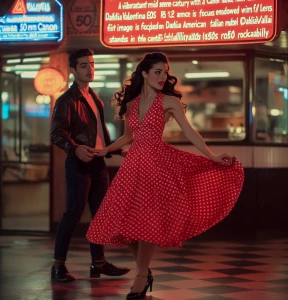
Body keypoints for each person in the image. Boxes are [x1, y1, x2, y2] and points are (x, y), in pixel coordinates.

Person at [86, 52, 244, 299]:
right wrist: (106, 149)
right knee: (121, 223)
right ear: (145, 73)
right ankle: (144, 271)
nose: (163, 76)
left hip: (157, 166)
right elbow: (128, 137)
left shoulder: (169, 101)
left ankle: (140, 278)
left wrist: (212, 156)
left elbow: (190, 132)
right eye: (158, 72)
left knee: (147, 222)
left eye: (165, 72)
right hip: (133, 167)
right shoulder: (131, 103)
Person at [50, 48, 130, 282]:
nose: (90, 68)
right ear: (73, 70)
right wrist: (74, 148)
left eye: (92, 64)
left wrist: (114, 149)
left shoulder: (93, 97)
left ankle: (98, 263)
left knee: (101, 215)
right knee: (73, 213)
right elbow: (56, 133)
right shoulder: (67, 100)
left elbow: (98, 133)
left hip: (97, 163)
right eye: (84, 65)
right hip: (78, 163)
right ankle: (58, 266)